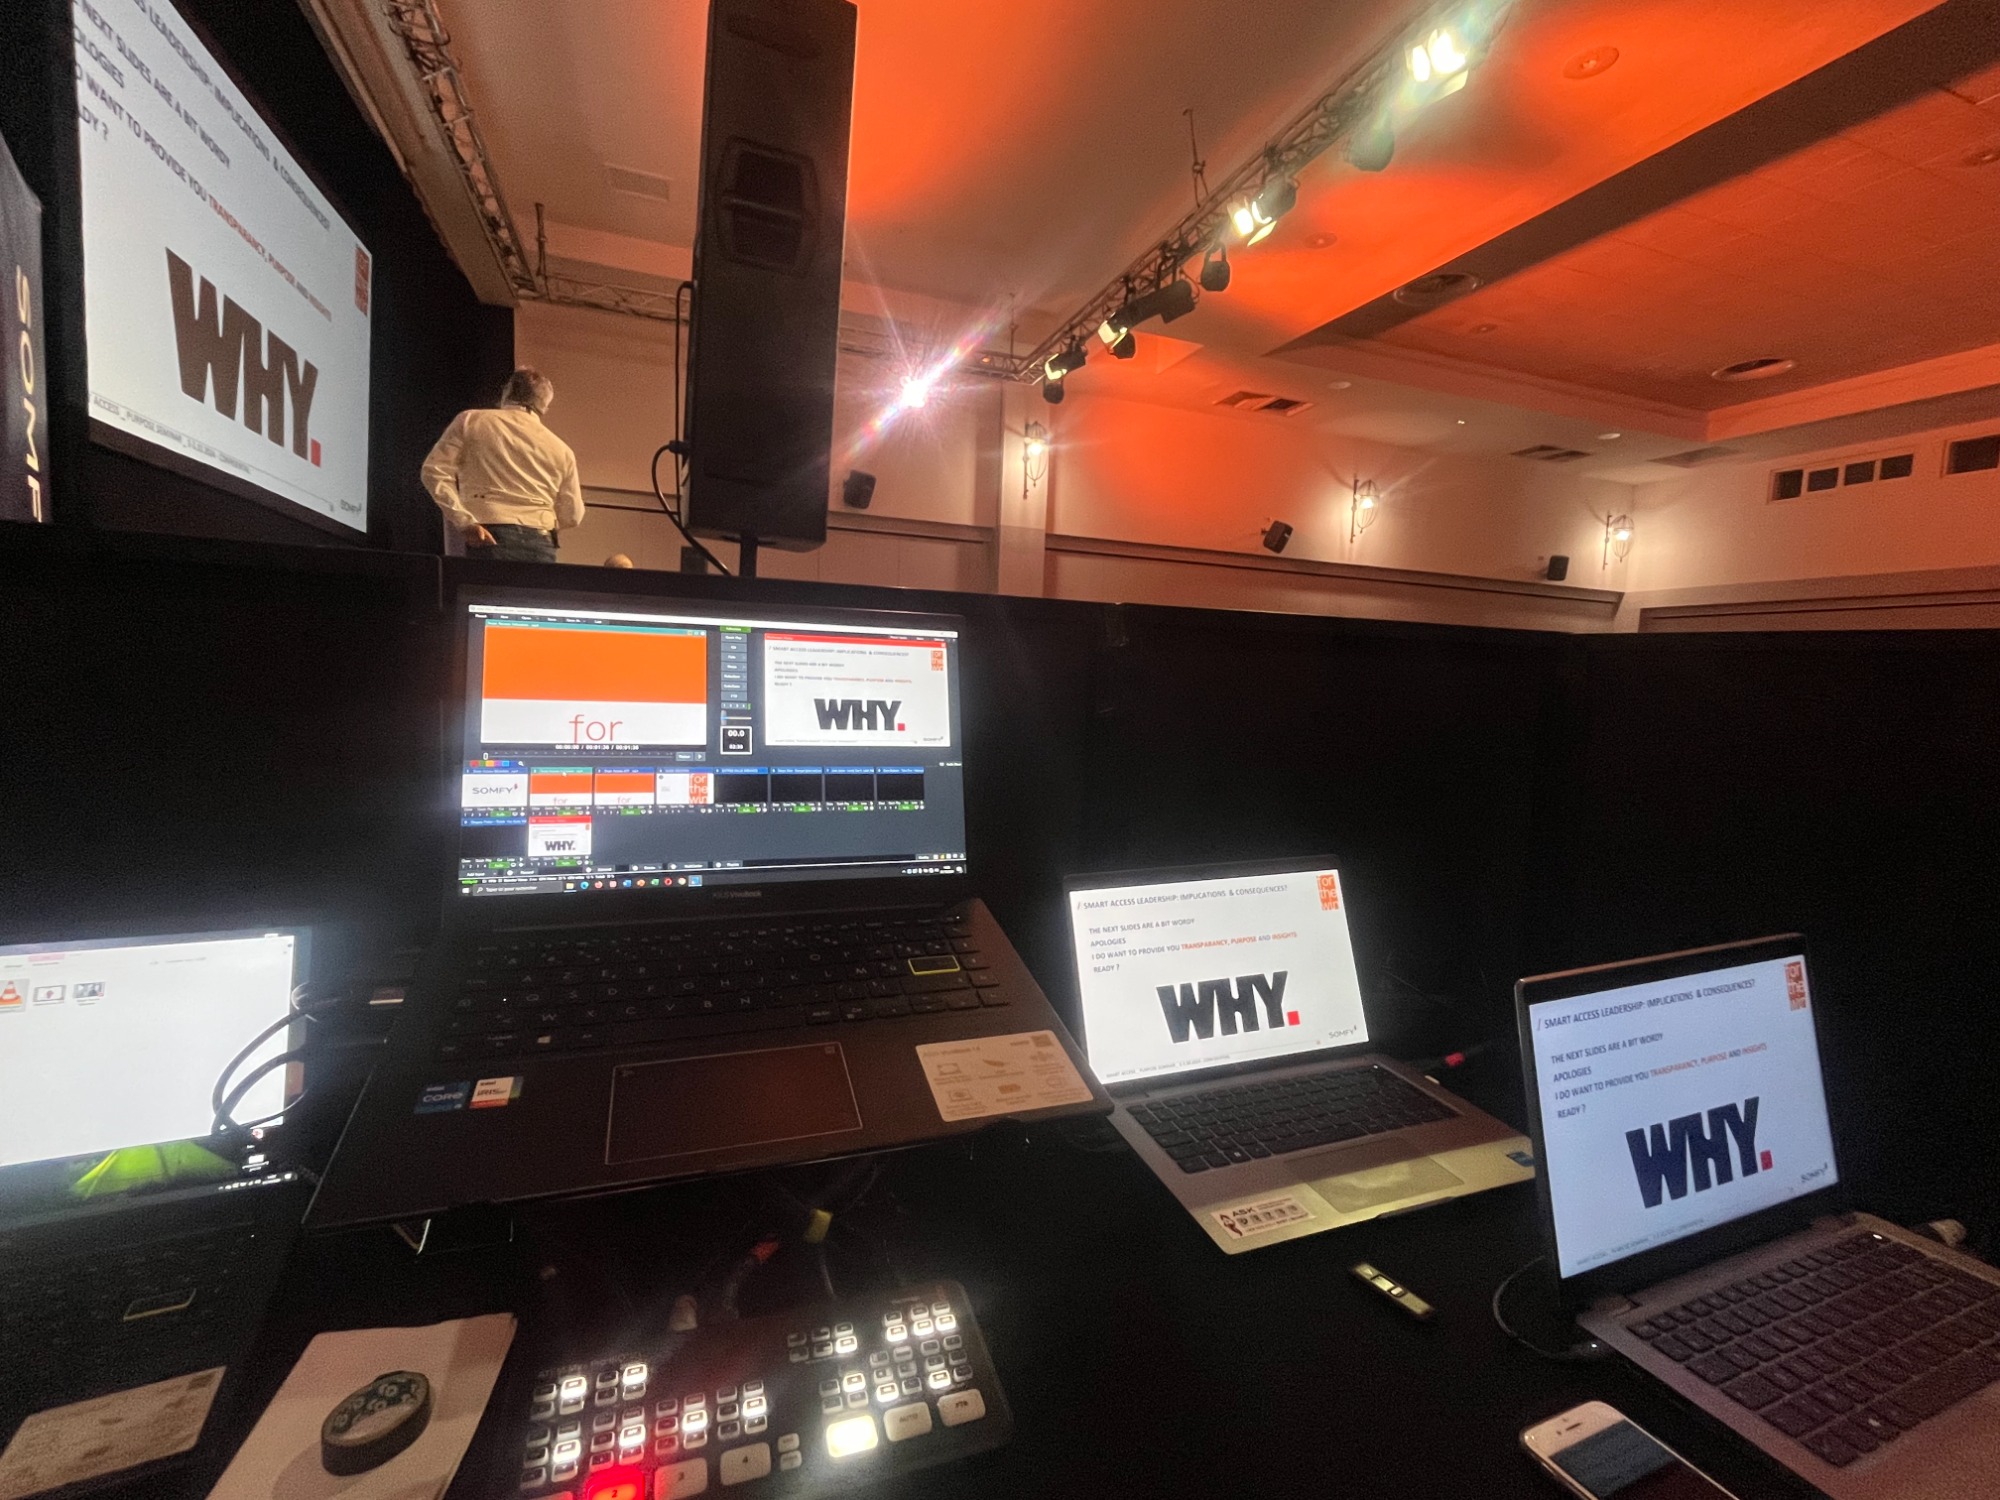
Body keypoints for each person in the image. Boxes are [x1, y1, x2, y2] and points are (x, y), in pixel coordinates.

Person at [422, 368, 584, 563]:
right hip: (542, 541)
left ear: (507, 392)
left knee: (485, 585)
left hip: (488, 533)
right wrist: (541, 520)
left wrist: (464, 521)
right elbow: (573, 515)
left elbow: (434, 471)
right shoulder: (562, 450)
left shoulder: (471, 421)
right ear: (545, 405)